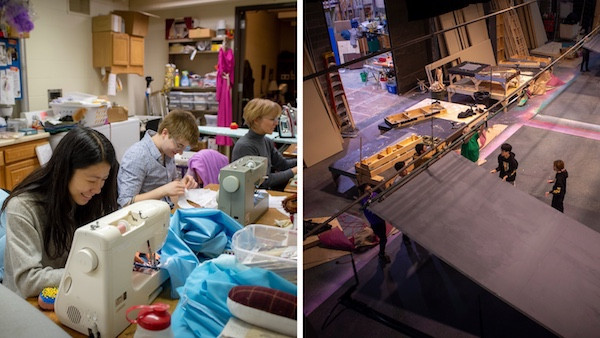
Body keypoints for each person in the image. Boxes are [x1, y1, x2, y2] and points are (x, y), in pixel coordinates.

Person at [2, 127, 119, 297]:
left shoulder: (90, 199)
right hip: (27, 303)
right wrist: (93, 271)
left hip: (69, 291)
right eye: (91, 180)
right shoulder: (23, 207)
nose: (98, 189)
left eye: (104, 180)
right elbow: (29, 281)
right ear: (66, 171)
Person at [118, 110, 199, 208]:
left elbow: (172, 181)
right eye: (179, 145)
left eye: (184, 148)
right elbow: (126, 202)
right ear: (165, 133)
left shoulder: (168, 152)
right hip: (145, 217)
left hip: (165, 210)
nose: (180, 152)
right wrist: (163, 191)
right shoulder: (137, 155)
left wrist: (181, 184)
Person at [232, 98, 297, 191]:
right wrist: (295, 170)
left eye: (276, 119)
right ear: (256, 120)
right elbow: (261, 182)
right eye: (272, 119)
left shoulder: (266, 141)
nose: (276, 123)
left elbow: (283, 165)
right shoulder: (245, 146)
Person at [358, 183, 390, 264]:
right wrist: (369, 203)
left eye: (370, 188)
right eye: (367, 190)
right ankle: (381, 254)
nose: (370, 191)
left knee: (383, 237)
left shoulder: (374, 194)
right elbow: (365, 208)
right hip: (375, 223)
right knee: (383, 239)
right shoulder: (363, 201)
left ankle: (382, 253)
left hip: (381, 219)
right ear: (363, 193)